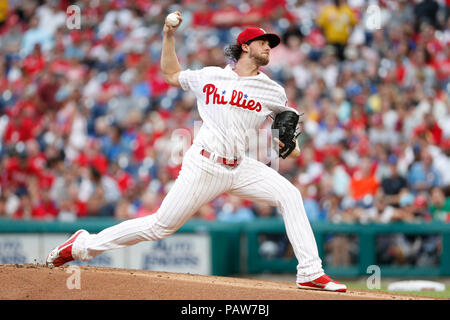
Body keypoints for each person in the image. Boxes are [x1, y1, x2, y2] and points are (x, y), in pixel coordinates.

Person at [46, 12, 346, 292]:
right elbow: (171, 74)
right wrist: (167, 35)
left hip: (241, 167)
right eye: (263, 42)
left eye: (270, 43)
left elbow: (289, 143)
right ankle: (82, 245)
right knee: (160, 226)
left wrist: (289, 147)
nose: (269, 47)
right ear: (245, 46)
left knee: (290, 195)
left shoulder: (273, 91)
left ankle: (309, 272)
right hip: (204, 165)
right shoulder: (211, 76)